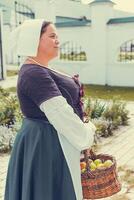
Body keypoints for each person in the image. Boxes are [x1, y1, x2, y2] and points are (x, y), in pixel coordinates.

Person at [5, 19, 96, 200]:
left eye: (58, 37)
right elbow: (59, 113)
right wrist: (87, 132)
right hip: (46, 145)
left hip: (48, 140)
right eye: (52, 36)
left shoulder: (39, 69)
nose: (57, 41)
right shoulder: (34, 73)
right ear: (34, 40)